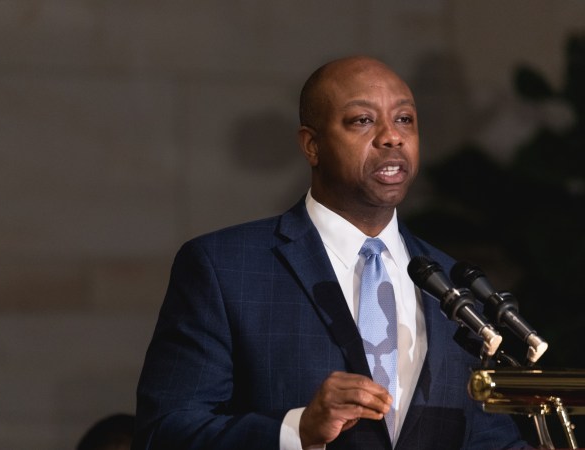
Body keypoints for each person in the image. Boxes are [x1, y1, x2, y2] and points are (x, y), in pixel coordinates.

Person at [132, 56, 531, 449]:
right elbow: (164, 433)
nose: (392, 136)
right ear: (311, 145)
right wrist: (297, 430)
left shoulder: (451, 284)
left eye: (405, 119)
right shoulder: (224, 267)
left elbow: (484, 438)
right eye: (363, 120)